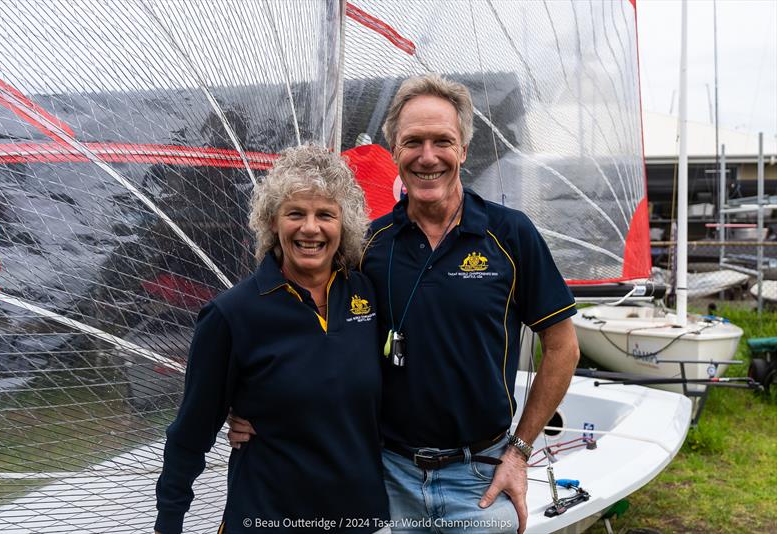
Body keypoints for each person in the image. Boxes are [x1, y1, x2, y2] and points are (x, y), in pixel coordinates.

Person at [230, 75, 580, 534]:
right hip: (383, 475)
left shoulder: (510, 236)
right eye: (413, 141)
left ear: (463, 151)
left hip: (480, 479)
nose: (428, 156)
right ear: (394, 150)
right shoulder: (366, 246)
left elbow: (562, 347)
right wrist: (255, 408)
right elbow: (308, 331)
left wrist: (519, 451)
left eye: (443, 141)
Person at [155, 144, 389, 534]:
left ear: (344, 224)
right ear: (272, 222)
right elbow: (190, 434)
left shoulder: (369, 294)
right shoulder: (231, 315)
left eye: (325, 215)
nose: (310, 228)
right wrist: (169, 522)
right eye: (295, 213)